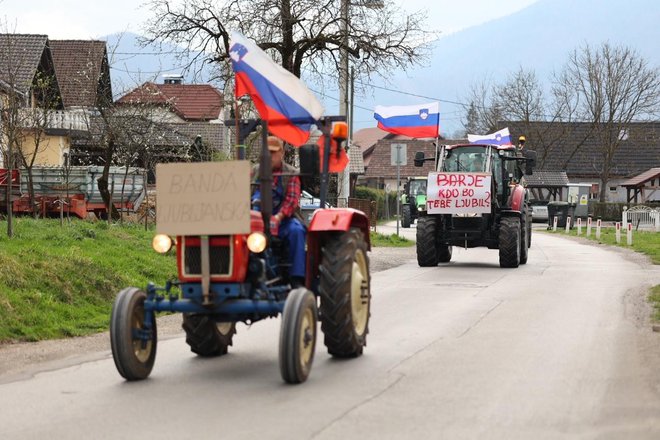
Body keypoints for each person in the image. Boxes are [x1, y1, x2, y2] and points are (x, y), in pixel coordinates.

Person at [251, 136, 306, 288]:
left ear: (281, 153)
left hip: (283, 220)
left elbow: (291, 201)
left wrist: (278, 217)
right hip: (256, 221)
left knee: (296, 231)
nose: (268, 157)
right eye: (266, 153)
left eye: (272, 153)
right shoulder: (255, 171)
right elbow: (245, 195)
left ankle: (296, 279)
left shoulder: (291, 173)